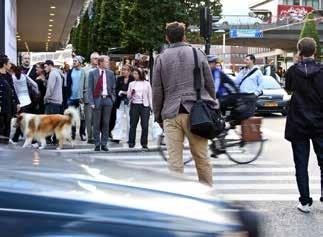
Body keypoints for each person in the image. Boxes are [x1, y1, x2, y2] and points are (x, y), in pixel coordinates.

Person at [152, 22, 217, 186]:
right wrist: (213, 105)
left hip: (171, 113)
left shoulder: (161, 58)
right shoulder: (197, 53)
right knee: (201, 157)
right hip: (196, 113)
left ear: (167, 38)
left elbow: (157, 90)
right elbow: (209, 83)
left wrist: (158, 116)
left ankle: (177, 198)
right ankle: (207, 193)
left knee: (174, 162)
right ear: (184, 36)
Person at [284, 37, 323, 213]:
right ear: (314, 51)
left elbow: (289, 88)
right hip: (320, 122)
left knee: (301, 164)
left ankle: (305, 202)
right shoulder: (322, 70)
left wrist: (295, 64)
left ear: (299, 52)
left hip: (298, 121)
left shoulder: (292, 71)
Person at [88, 55, 116, 152]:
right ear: (101, 63)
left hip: (107, 100)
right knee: (96, 123)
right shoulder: (92, 73)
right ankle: (97, 144)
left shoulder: (111, 74)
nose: (108, 63)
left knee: (106, 123)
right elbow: (90, 89)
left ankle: (104, 144)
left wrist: (112, 99)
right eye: (107, 61)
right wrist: (91, 102)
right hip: (97, 100)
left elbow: (113, 87)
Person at [10, 64, 38, 143]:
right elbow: (35, 84)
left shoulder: (12, 78)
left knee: (22, 121)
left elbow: (13, 90)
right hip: (28, 101)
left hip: (20, 103)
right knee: (25, 121)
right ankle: (18, 138)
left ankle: (32, 140)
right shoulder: (24, 76)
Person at [127, 68, 152, 149]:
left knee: (145, 125)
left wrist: (151, 107)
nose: (134, 75)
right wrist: (131, 93)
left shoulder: (147, 84)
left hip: (145, 106)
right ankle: (131, 143)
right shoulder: (131, 84)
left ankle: (144, 143)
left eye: (136, 73)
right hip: (134, 105)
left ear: (140, 74)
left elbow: (150, 96)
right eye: (133, 73)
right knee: (133, 125)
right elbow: (128, 96)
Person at [111, 64, 134, 144]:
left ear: (129, 71)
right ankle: (117, 137)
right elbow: (116, 90)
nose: (123, 71)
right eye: (122, 69)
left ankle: (129, 138)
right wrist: (122, 92)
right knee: (118, 119)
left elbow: (133, 91)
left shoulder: (133, 79)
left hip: (129, 103)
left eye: (125, 69)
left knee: (129, 120)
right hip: (119, 102)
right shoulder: (119, 79)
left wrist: (123, 92)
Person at [0, 54, 20, 144]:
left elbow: (13, 90)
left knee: (7, 127)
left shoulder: (8, 76)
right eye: (9, 63)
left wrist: (17, 102)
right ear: (4, 64)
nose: (10, 65)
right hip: (1, 106)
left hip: (8, 106)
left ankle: (5, 142)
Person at [44, 60, 63, 145]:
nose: (44, 69)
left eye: (45, 66)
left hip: (52, 101)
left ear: (50, 65)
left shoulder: (52, 74)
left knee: (49, 122)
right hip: (58, 101)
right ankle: (56, 139)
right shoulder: (58, 73)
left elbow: (50, 89)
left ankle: (48, 139)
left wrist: (45, 98)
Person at [66, 55, 86, 141]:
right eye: (73, 61)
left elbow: (85, 84)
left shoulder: (83, 72)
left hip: (81, 97)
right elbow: (67, 84)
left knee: (82, 117)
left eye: (76, 61)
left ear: (80, 62)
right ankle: (72, 133)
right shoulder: (70, 71)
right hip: (71, 97)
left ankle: (82, 133)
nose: (74, 62)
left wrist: (83, 96)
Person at [83, 52, 99, 144]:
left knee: (97, 118)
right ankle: (90, 137)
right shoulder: (85, 70)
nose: (97, 60)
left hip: (98, 97)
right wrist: (81, 96)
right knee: (89, 118)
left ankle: (96, 135)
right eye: (95, 58)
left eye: (98, 58)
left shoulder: (101, 70)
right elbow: (82, 83)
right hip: (88, 97)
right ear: (91, 59)